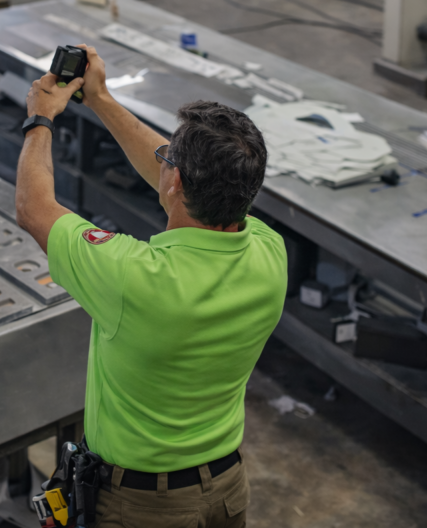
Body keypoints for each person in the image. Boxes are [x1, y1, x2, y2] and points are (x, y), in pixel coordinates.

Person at [15, 45, 286, 528]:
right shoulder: (269, 252)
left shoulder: (134, 277)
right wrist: (100, 99)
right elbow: (174, 175)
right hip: (225, 492)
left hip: (144, 507)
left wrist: (41, 120)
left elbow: (35, 209)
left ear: (176, 180)